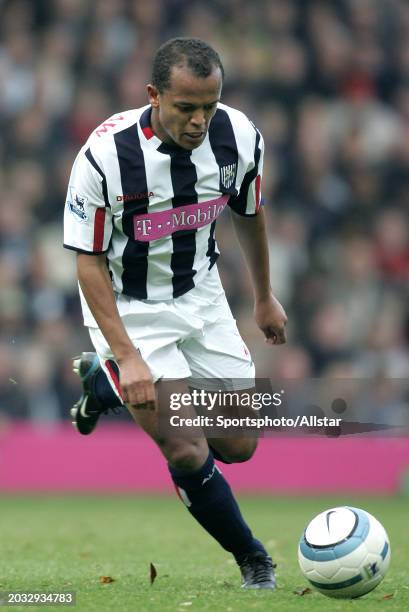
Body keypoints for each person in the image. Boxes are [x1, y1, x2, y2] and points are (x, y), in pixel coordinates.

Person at [63, 37, 287, 590]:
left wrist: (263, 296)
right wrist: (130, 355)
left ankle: (104, 384)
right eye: (186, 107)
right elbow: (88, 265)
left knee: (239, 445)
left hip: (201, 295)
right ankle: (253, 558)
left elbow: (250, 214)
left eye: (209, 106)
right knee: (187, 444)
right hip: (129, 308)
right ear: (153, 95)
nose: (199, 121)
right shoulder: (104, 156)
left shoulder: (239, 137)